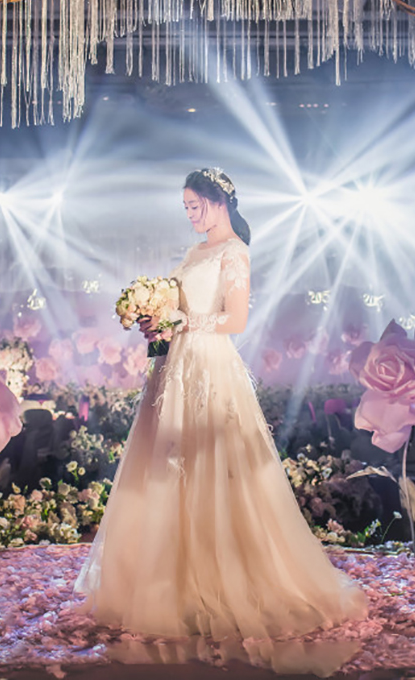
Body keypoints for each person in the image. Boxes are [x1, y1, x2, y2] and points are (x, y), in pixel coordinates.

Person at [75, 168, 369, 639]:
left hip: (209, 368)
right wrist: (157, 323)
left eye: (195, 206)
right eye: (185, 207)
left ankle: (222, 579)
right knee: (163, 467)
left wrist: (182, 322)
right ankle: (164, 582)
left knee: (213, 466)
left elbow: (236, 320)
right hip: (174, 366)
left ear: (218, 202)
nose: (190, 214)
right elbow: (180, 308)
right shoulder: (194, 252)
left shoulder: (235, 252)